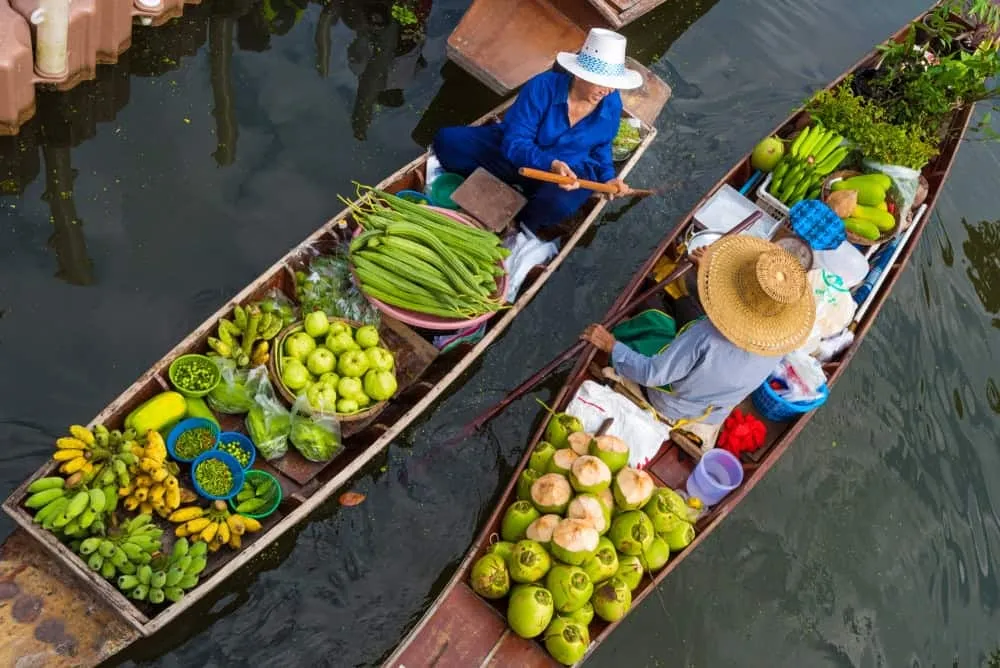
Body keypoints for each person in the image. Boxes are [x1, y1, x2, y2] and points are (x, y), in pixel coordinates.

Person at [581, 236, 816, 447]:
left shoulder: (706, 335)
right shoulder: (783, 340)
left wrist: (610, 345)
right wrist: (705, 271)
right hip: (712, 407)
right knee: (685, 306)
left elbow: (653, 373)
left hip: (672, 402)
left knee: (654, 314)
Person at [432, 28, 643, 232]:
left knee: (557, 207)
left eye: (613, 84)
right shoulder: (542, 87)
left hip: (568, 170)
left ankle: (518, 223)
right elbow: (515, 141)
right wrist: (549, 163)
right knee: (448, 141)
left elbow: (602, 145)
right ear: (579, 75)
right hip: (520, 156)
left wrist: (608, 177)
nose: (608, 90)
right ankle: (499, 184)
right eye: (601, 83)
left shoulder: (611, 102)